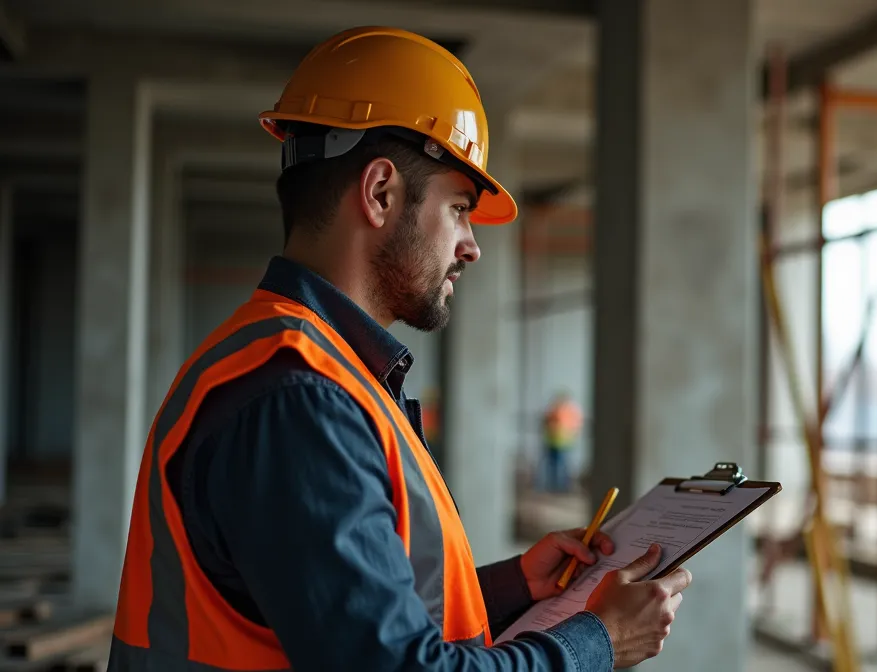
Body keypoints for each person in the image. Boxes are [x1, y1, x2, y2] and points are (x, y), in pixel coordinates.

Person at [108, 26, 690, 671]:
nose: (471, 246)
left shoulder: (307, 370)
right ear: (380, 192)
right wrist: (599, 640)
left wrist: (513, 587)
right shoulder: (299, 399)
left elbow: (351, 620)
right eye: (459, 208)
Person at [540, 391, 582, 492]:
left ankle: (561, 487)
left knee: (562, 466)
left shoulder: (564, 410)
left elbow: (574, 425)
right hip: (554, 441)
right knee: (555, 466)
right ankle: (556, 486)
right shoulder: (556, 409)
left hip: (563, 441)